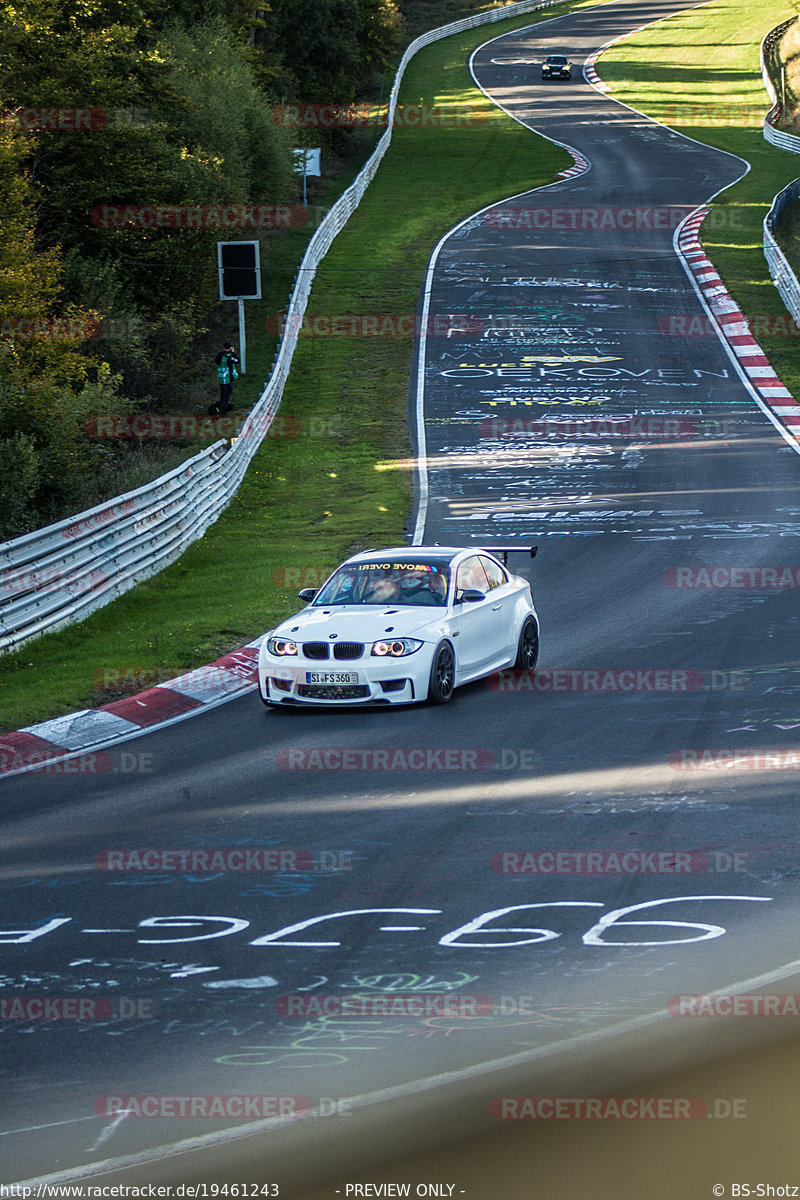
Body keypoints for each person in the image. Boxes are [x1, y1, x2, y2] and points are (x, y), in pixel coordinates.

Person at [209, 341, 239, 415]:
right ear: (230, 348)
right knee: (226, 398)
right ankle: (222, 413)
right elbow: (237, 360)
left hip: (221, 379)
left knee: (222, 396)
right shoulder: (228, 357)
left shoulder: (220, 355)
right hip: (227, 379)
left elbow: (217, 361)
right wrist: (233, 353)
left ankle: (220, 410)